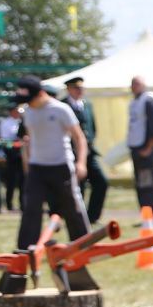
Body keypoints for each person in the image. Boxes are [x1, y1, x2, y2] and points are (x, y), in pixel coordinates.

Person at [4, 77, 94, 294]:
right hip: (37, 167)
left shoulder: (61, 109)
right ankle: (24, 253)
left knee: (72, 207)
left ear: (40, 94)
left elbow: (79, 138)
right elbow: (30, 140)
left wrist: (81, 163)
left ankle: (83, 247)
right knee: (31, 209)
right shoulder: (29, 113)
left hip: (61, 165)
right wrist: (28, 164)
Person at [62, 76, 108, 223]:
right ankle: (78, 217)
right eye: (76, 88)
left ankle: (92, 215)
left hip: (88, 151)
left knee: (101, 182)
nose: (79, 91)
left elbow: (92, 126)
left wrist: (89, 143)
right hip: (72, 152)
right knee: (78, 186)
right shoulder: (63, 105)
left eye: (81, 88)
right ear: (69, 89)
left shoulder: (87, 105)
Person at [126, 76, 153, 221]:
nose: (133, 87)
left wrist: (149, 147)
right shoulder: (135, 102)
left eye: (136, 84)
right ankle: (145, 213)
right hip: (136, 146)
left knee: (148, 181)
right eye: (132, 84)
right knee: (141, 182)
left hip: (145, 147)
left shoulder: (149, 100)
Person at [0, 103, 26, 214]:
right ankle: (9, 204)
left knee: (23, 181)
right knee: (11, 180)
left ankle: (23, 203)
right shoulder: (6, 123)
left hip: (23, 153)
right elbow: (5, 140)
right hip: (12, 154)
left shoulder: (23, 122)